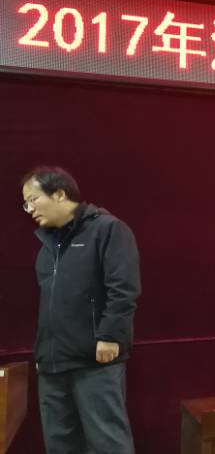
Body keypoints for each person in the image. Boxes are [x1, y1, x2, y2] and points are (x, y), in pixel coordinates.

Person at [21, 166, 140, 454]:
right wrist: (42, 352)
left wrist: (110, 335)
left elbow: (123, 289)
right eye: (25, 204)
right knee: (59, 445)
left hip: (95, 362)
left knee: (107, 443)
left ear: (60, 194)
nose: (29, 209)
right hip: (51, 365)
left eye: (33, 199)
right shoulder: (46, 247)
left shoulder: (108, 229)